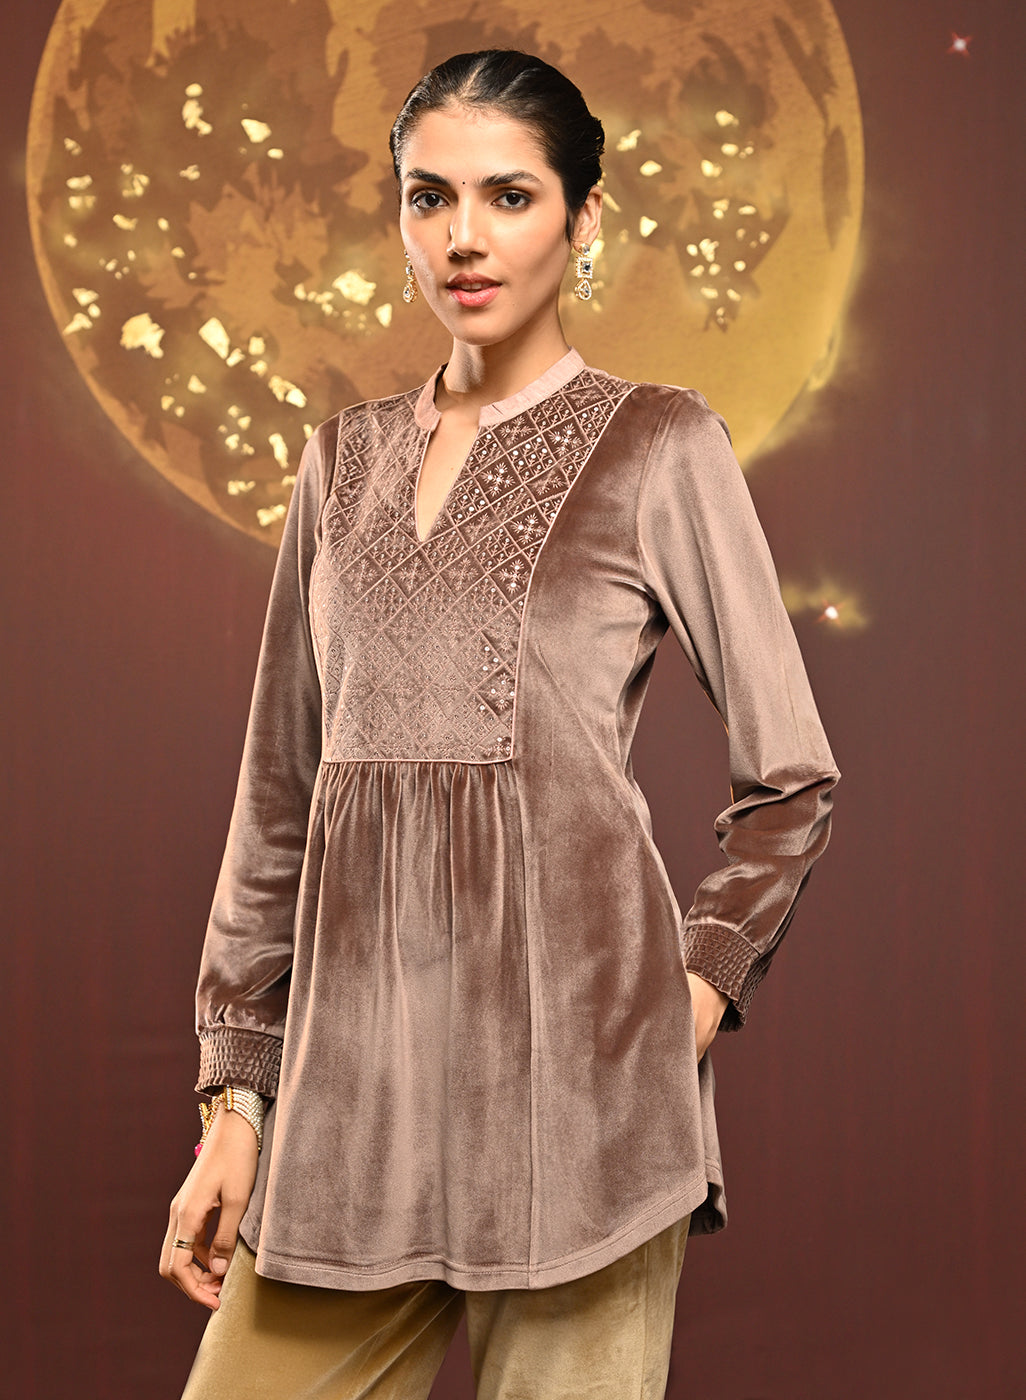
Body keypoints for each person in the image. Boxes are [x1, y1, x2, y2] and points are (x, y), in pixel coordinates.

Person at [160, 49, 838, 1400]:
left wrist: (683, 1010)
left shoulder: (660, 446)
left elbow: (791, 781)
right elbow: (279, 802)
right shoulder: (339, 463)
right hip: (352, 1109)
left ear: (584, 219)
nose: (463, 236)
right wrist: (236, 1105)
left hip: (581, 1108)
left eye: (509, 196)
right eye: (431, 197)